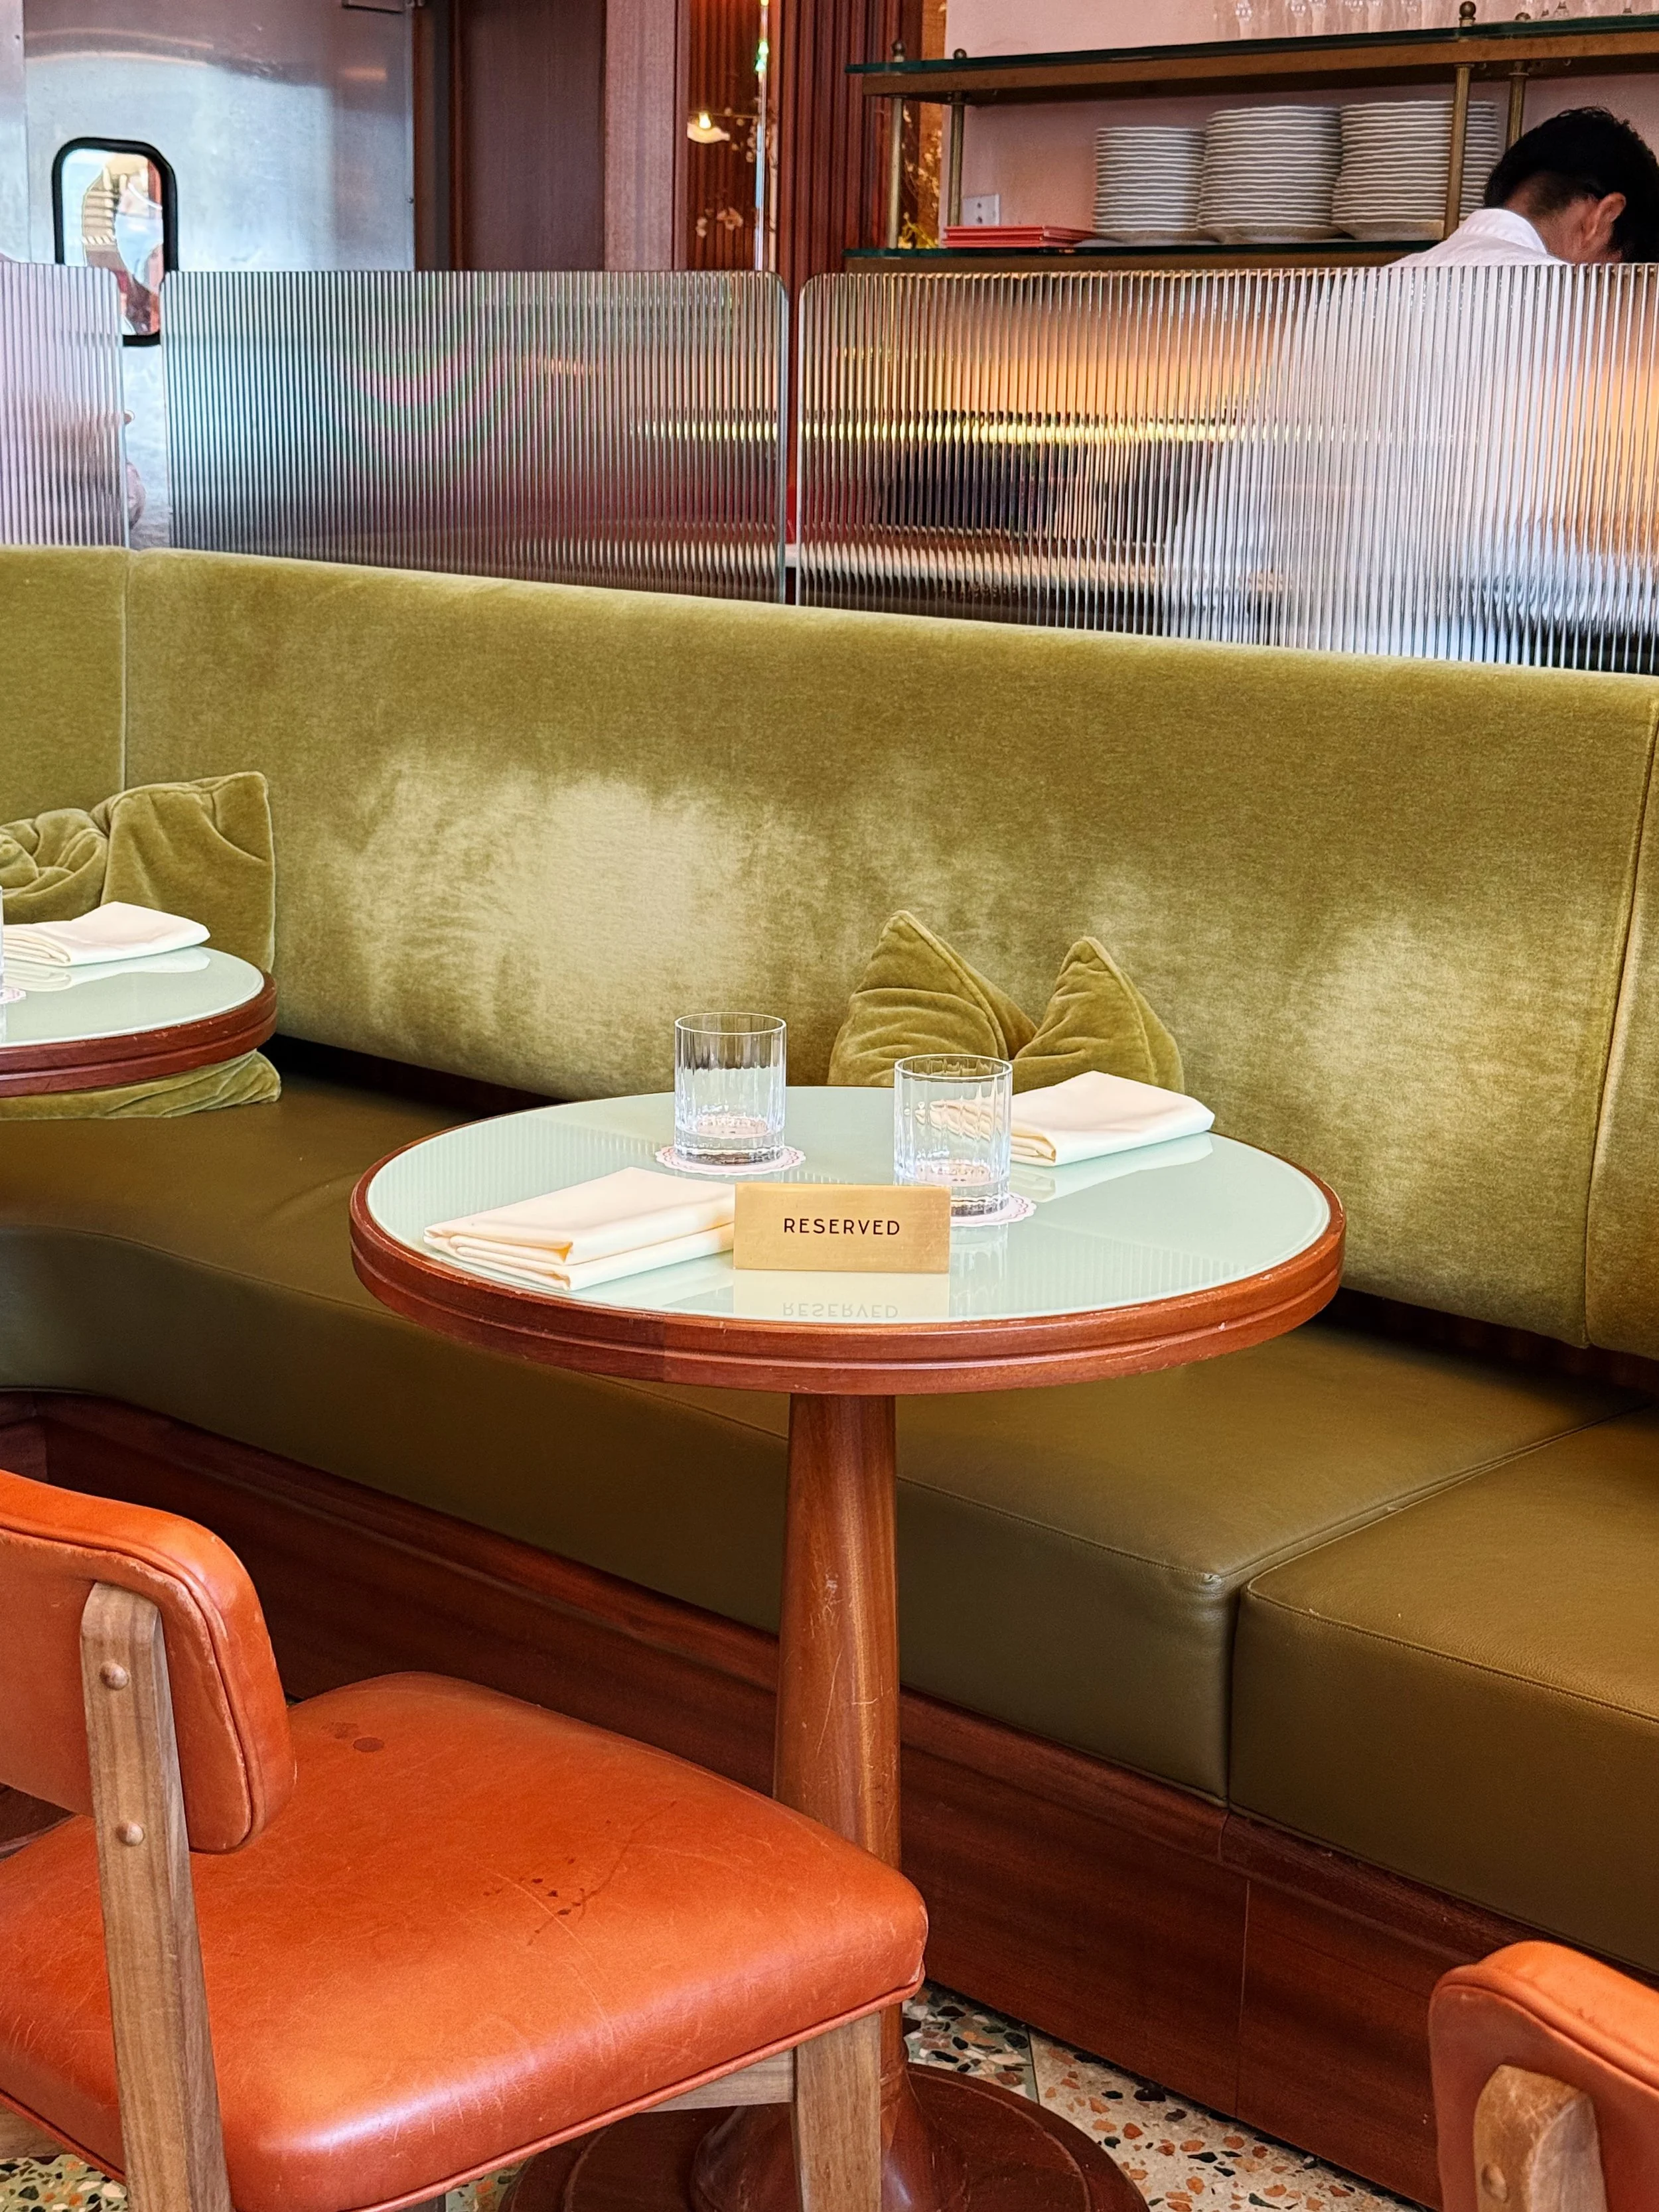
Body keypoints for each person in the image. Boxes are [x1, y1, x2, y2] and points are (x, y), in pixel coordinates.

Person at [1419, 105, 1659, 267]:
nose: (1610, 288)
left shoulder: (1387, 280)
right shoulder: (1580, 308)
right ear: (1602, 217)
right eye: (1615, 271)